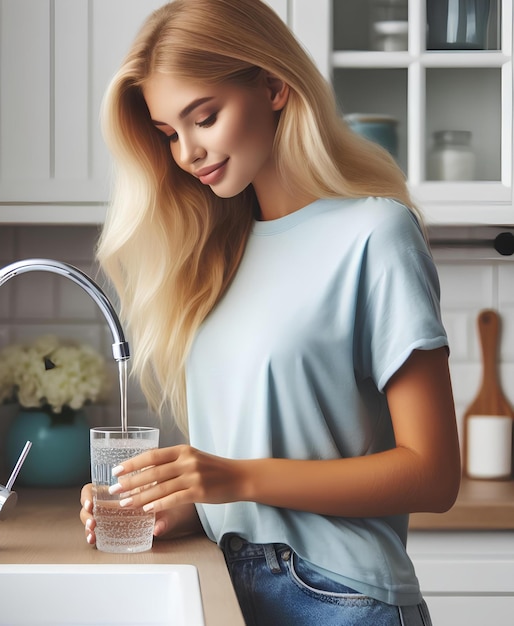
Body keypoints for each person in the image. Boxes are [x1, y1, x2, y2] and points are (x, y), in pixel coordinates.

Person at [79, 1, 461, 624]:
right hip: (227, 582)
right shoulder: (210, 257)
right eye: (169, 134)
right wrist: (180, 504)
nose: (187, 153)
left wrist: (234, 479)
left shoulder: (376, 234)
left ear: (274, 85)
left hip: (340, 598)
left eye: (203, 118)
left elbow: (433, 474)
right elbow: (248, 464)